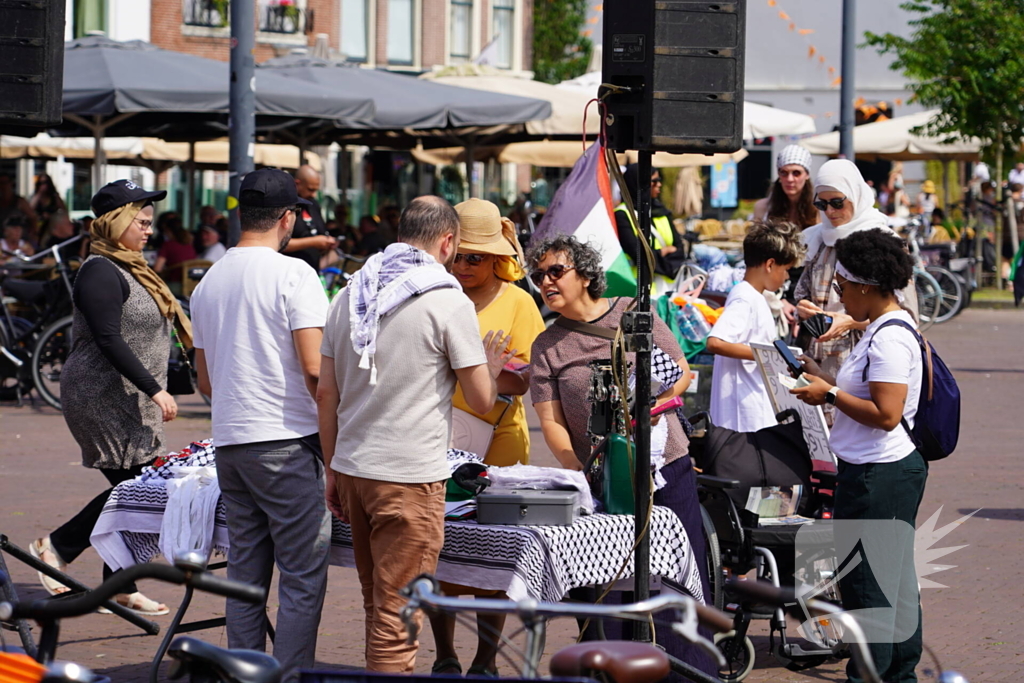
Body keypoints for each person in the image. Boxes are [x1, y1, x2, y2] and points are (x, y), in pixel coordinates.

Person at [317, 196, 509, 674]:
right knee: (396, 617)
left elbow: (325, 394)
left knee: (377, 606)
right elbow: (482, 400)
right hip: (408, 478)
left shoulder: (350, 293)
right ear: (447, 242)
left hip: (355, 470)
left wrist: (332, 470)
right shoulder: (446, 299)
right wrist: (493, 366)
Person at [527, 235, 716, 677]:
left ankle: (689, 672)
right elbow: (552, 424)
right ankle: (613, 671)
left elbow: (681, 374)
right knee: (605, 585)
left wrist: (647, 408)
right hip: (601, 482)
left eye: (556, 271)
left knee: (676, 579)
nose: (546, 282)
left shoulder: (634, 310)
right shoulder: (547, 345)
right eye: (538, 276)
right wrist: (577, 471)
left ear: (586, 274)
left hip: (664, 465)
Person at [190, 169, 331, 682]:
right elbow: (316, 369)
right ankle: (287, 677)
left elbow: (204, 379)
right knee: (301, 575)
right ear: (289, 217)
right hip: (286, 440)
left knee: (245, 577)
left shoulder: (208, 281)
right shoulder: (295, 274)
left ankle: (242, 673)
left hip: (230, 441)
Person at [30, 179, 191, 617]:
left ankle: (118, 584)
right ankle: (57, 547)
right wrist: (156, 389)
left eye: (150, 222)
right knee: (142, 491)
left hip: (131, 399)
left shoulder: (134, 266)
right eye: (140, 222)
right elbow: (107, 338)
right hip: (103, 396)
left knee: (138, 492)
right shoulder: (100, 270)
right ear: (115, 221)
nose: (148, 230)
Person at [791, 228, 926, 683]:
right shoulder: (886, 326)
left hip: (877, 473)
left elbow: (886, 413)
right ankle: (899, 673)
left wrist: (827, 394)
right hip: (880, 469)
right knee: (894, 580)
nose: (838, 295)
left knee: (868, 586)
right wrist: (817, 375)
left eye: (842, 287)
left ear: (866, 286)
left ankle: (872, 675)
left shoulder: (888, 338)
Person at [427, 199, 544, 677]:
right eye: (458, 254)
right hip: (437, 440)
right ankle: (444, 655)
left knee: (493, 559)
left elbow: (530, 376)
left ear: (497, 258)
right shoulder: (434, 293)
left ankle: (485, 659)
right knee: (440, 554)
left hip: (499, 444)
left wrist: (488, 377)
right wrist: (481, 370)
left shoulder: (518, 302)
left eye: (476, 257)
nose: (464, 266)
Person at [794, 159, 910, 379]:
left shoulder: (884, 243)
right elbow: (802, 294)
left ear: (856, 195)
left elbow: (906, 314)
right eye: (821, 204)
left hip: (863, 363)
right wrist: (803, 309)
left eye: (837, 202)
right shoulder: (817, 239)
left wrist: (850, 322)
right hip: (816, 362)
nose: (829, 211)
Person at [706, 220, 805, 432]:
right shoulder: (745, 298)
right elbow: (716, 342)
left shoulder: (754, 297)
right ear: (770, 264)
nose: (787, 277)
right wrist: (769, 355)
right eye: (786, 270)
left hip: (751, 409)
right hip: (742, 417)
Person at [615, 165, 684, 293]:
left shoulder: (662, 211)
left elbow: (680, 249)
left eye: (660, 180)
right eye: (654, 181)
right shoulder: (622, 214)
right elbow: (637, 254)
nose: (659, 185)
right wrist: (664, 252)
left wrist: (657, 255)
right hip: (638, 290)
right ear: (640, 184)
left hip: (668, 288)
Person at [282, 165, 337, 271]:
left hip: (313, 270)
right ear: (297, 184)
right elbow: (279, 243)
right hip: (291, 271)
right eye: (310, 189)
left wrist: (327, 243)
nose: (314, 194)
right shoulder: (286, 206)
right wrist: (313, 242)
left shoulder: (313, 204)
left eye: (316, 190)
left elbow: (321, 232)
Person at [753, 145, 818, 229]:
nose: (790, 179)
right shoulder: (763, 207)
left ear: (807, 175)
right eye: (784, 173)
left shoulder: (819, 208)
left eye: (796, 173)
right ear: (779, 175)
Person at [153, 214, 197, 285]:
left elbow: (157, 268)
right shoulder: (189, 244)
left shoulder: (168, 245)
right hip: (192, 283)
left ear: (168, 231)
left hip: (175, 283)